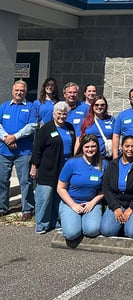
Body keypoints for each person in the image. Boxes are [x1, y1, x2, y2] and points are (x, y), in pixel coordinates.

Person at [30, 101, 76, 234]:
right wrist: (34, 166)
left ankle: (55, 222)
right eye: (59, 113)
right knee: (45, 196)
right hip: (47, 169)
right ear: (53, 114)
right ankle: (42, 224)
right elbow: (37, 149)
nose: (61, 116)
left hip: (64, 167)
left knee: (59, 196)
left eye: (64, 113)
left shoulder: (70, 127)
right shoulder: (46, 129)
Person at [101, 135, 133, 239]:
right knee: (107, 231)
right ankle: (121, 225)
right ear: (121, 147)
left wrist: (131, 208)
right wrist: (115, 207)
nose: (130, 149)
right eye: (127, 146)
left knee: (132, 233)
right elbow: (106, 188)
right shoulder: (113, 164)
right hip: (119, 202)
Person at [57, 134, 106, 244]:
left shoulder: (103, 164)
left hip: (91, 203)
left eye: (93, 146)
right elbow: (60, 188)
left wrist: (93, 202)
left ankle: (82, 220)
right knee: (71, 234)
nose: (90, 149)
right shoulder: (71, 163)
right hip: (71, 202)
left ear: (97, 147)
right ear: (82, 147)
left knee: (91, 230)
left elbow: (105, 189)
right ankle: (67, 218)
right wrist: (73, 205)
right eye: (87, 146)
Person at [0, 80, 37, 219]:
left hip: (24, 151)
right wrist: (6, 139)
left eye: (22, 90)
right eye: (17, 90)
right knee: (2, 179)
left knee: (25, 181)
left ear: (25, 92)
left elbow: (32, 126)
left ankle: (27, 208)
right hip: (4, 150)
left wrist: (14, 137)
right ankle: (2, 207)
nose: (19, 92)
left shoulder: (31, 107)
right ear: (12, 91)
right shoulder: (3, 107)